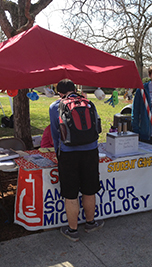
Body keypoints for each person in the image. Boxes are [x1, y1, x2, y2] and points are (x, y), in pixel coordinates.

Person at [49, 79, 104, 241]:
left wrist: (56, 153)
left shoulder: (55, 106)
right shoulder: (89, 103)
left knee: (70, 194)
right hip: (90, 151)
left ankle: (73, 231)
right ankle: (90, 223)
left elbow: (55, 134)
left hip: (68, 154)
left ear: (59, 93)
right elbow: (97, 127)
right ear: (74, 89)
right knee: (89, 189)